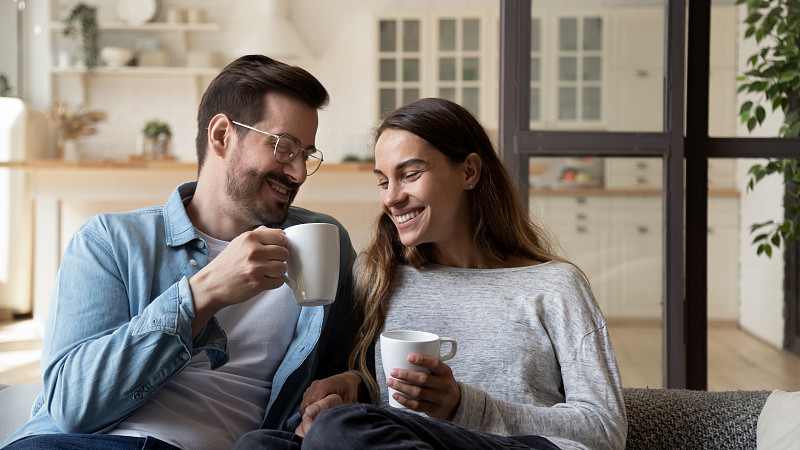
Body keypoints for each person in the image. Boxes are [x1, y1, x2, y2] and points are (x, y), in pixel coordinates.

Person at [1, 55, 357, 450]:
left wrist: (349, 384)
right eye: (284, 147)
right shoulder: (109, 240)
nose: (298, 173)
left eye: (306, 154)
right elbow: (72, 406)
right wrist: (203, 294)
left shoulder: (324, 243)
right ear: (221, 135)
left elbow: (345, 369)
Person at [234, 97, 627, 450]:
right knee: (259, 444)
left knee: (341, 429)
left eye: (410, 174)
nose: (391, 197)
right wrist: (352, 386)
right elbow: (382, 414)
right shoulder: (379, 277)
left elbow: (605, 431)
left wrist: (462, 405)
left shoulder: (556, 286)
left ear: (469, 172)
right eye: (384, 181)